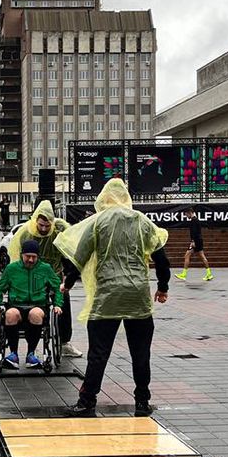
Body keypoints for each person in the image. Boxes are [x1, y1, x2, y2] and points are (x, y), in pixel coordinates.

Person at [55, 179, 170, 418]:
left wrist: (67, 283)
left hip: (107, 296)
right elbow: (161, 257)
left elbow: (80, 257)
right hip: (137, 296)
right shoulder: (141, 221)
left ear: (104, 198)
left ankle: (87, 401)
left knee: (98, 352)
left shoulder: (98, 222)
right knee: (141, 352)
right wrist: (162, 287)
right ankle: (142, 401)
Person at [8, 200, 83, 358]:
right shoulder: (26, 233)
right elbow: (17, 259)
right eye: (40, 225)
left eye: (47, 226)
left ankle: (64, 343)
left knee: (63, 300)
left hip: (54, 274)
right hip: (32, 276)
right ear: (36, 221)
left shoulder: (60, 228)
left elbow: (72, 253)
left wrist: (68, 278)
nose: (43, 228)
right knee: (31, 305)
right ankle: (32, 342)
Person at [0, 240, 62, 369]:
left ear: (38, 257)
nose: (30, 260)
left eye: (34, 257)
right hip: (16, 305)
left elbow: (57, 288)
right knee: (10, 314)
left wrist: (57, 304)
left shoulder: (45, 269)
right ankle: (13, 354)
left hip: (38, 305)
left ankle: (31, 353)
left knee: (35, 314)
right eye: (27, 256)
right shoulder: (11, 269)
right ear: (21, 254)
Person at [175, 207, 212, 281]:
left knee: (187, 255)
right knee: (202, 256)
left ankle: (184, 274)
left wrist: (193, 242)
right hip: (199, 240)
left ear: (189, 212)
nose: (186, 216)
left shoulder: (194, 221)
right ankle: (209, 274)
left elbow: (194, 232)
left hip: (196, 241)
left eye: (186, 214)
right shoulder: (196, 220)